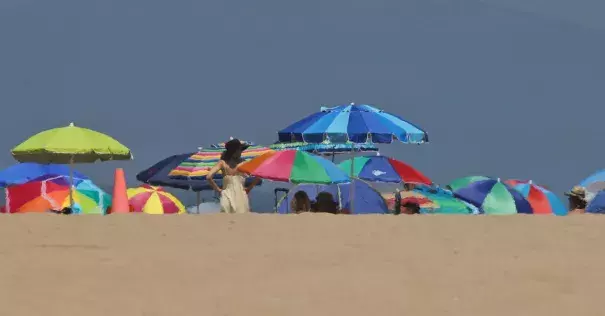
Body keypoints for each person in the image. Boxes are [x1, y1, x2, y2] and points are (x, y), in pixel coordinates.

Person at [207, 138, 260, 213]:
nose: (241, 152)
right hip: (241, 196)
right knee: (241, 221)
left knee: (226, 221)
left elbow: (208, 177)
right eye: (240, 150)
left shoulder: (222, 163)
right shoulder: (243, 163)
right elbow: (258, 175)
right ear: (235, 151)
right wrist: (249, 188)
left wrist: (218, 190)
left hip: (226, 195)